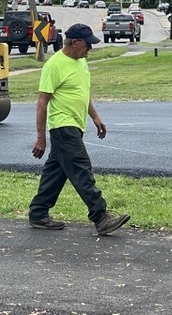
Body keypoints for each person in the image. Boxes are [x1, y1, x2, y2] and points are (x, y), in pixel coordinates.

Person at [28, 23, 130, 236]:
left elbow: (82, 93)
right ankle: (100, 217)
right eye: (87, 44)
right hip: (63, 126)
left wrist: (95, 116)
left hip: (76, 124)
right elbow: (42, 102)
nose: (90, 49)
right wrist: (41, 137)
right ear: (75, 43)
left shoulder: (80, 62)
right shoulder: (54, 65)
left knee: (56, 172)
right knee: (81, 168)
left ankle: (38, 214)